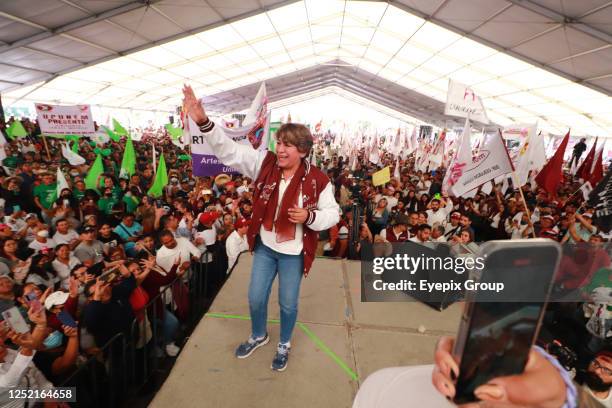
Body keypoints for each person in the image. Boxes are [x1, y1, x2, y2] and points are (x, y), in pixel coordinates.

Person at [183, 84, 340, 372]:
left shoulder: (318, 179)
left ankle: (284, 343)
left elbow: (333, 214)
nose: (279, 149)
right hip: (266, 248)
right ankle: (259, 334)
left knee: (288, 305)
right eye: (278, 142)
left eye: (287, 145)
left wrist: (309, 216)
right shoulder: (264, 163)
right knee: (255, 297)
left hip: (293, 253)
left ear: (303, 151)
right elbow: (228, 151)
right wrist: (203, 121)